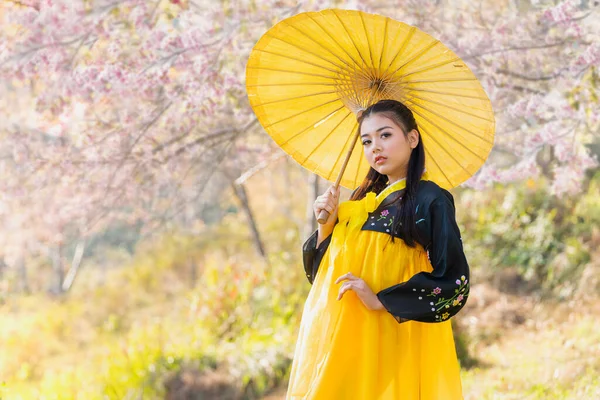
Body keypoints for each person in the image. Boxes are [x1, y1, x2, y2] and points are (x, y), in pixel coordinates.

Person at [286, 99, 470, 400]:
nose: (375, 148)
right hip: (341, 330)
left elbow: (454, 282)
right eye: (367, 140)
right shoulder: (359, 202)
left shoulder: (430, 199)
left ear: (412, 138)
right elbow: (319, 275)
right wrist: (326, 226)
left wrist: (382, 301)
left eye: (385, 135)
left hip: (389, 331)